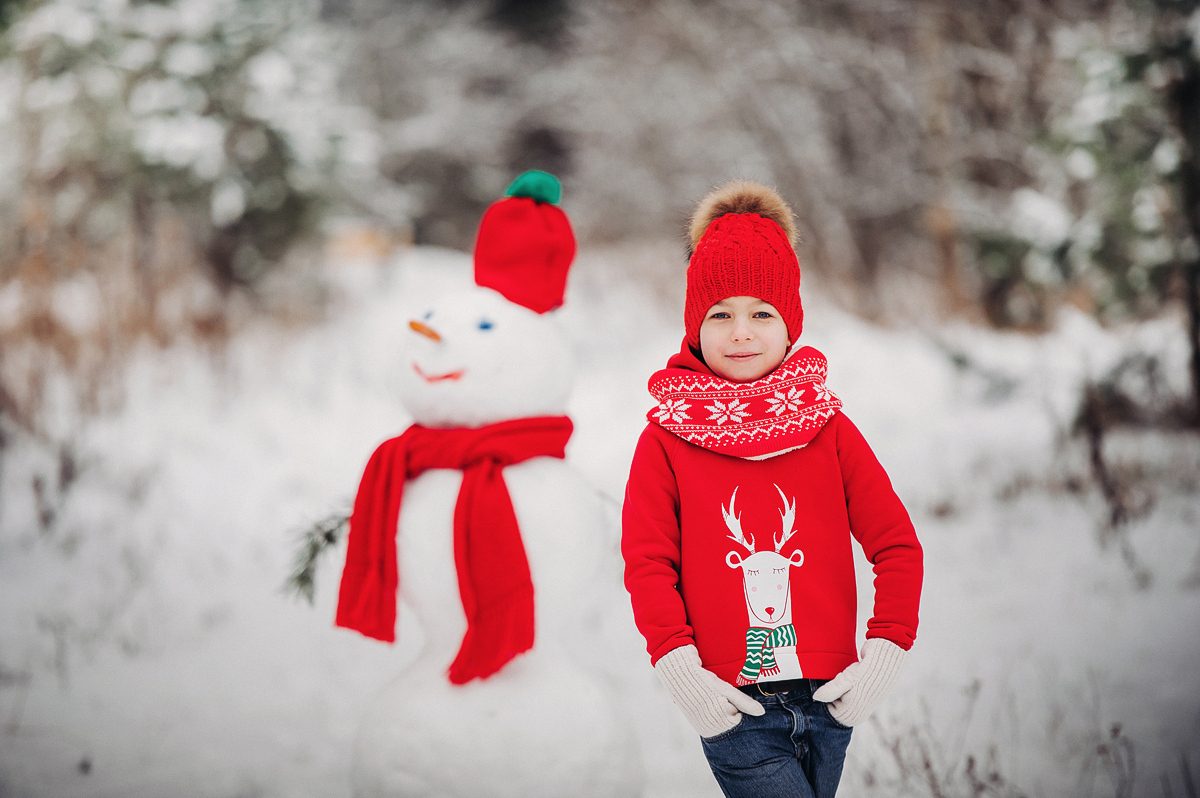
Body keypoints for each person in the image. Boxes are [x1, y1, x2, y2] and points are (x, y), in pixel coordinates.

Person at [621, 179, 924, 798]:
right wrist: (683, 671)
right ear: (694, 326)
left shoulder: (829, 430)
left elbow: (896, 545)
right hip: (735, 707)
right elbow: (648, 563)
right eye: (720, 314)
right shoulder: (667, 440)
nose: (741, 333)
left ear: (790, 325)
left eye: (762, 313)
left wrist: (882, 657)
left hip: (831, 699)